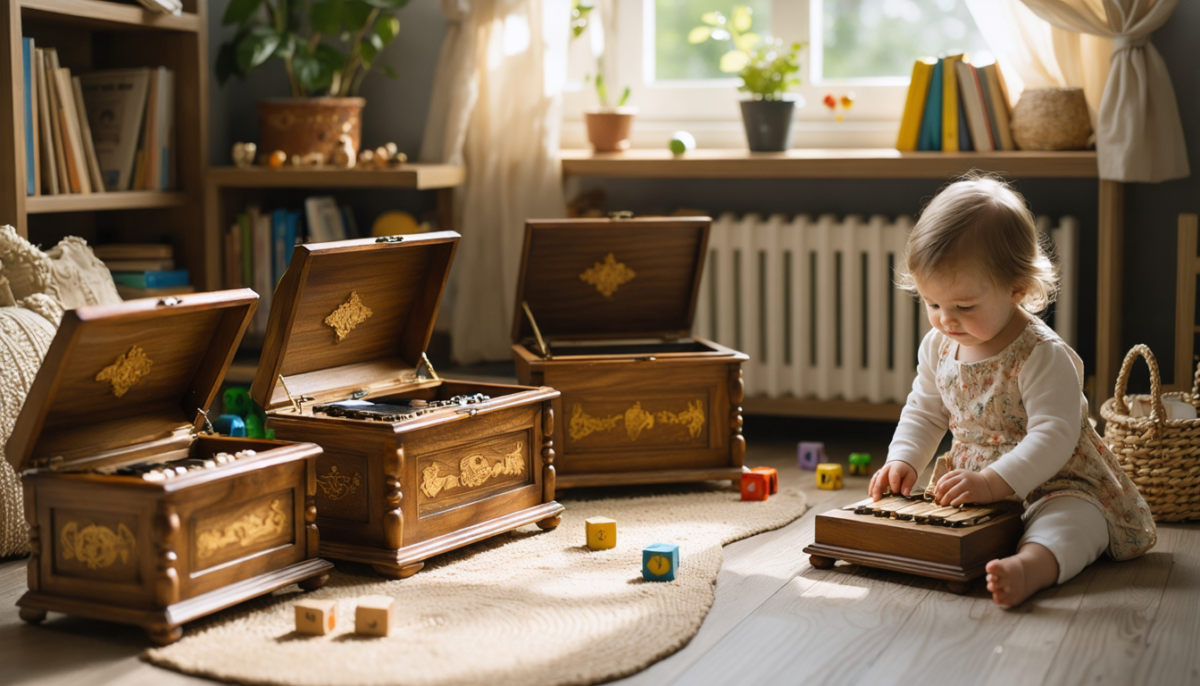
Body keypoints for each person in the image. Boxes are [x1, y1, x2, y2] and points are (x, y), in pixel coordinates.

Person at [870, 174, 1156, 607]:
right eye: (932, 304)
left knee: (1072, 523)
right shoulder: (938, 346)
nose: (946, 319)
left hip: (1056, 484)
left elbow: (1054, 435)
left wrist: (993, 482)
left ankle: (1032, 566)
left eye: (964, 306)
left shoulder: (1042, 354)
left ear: (1016, 288)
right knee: (934, 524)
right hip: (974, 487)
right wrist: (903, 459)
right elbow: (925, 411)